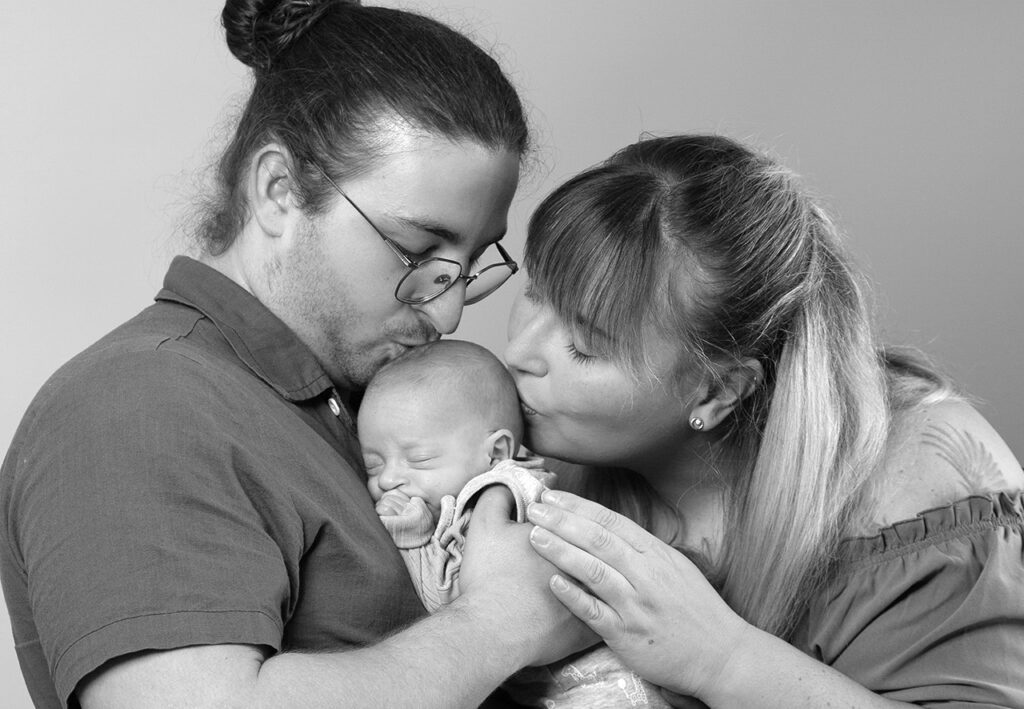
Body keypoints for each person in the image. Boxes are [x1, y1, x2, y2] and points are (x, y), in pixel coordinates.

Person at [0, 2, 592, 707]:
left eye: (469, 265)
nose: (449, 310)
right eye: (416, 251)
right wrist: (503, 621)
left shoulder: (376, 398)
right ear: (279, 191)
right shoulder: (134, 405)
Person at [506, 133, 1024, 708]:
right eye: (535, 293)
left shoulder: (926, 482)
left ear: (718, 390)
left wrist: (722, 659)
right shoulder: (525, 440)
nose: (519, 353)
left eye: (583, 348)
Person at [358, 338, 676, 709]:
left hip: (605, 682)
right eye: (373, 465)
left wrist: (410, 536)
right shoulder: (456, 507)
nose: (388, 479)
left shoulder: (511, 493)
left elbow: (452, 601)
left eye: (420, 460)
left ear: (496, 452)